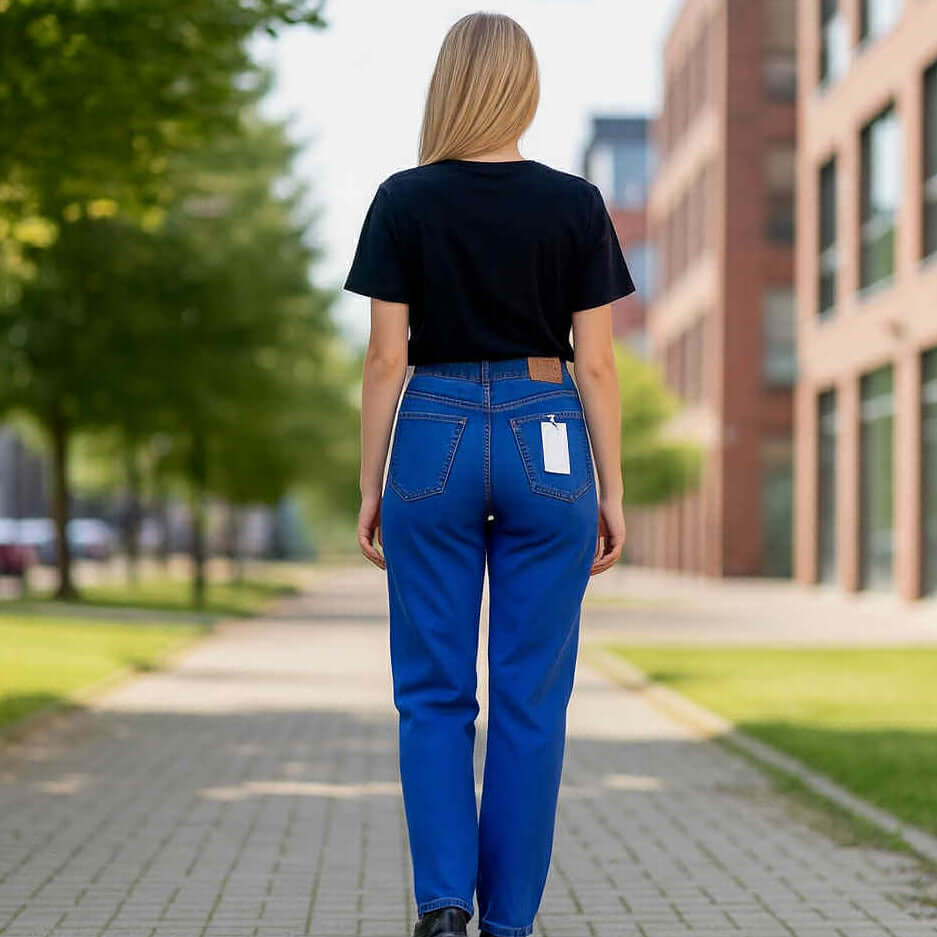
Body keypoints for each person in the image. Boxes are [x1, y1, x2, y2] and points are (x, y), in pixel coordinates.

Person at [344, 11, 633, 937]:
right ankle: (507, 922)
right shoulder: (576, 203)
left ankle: (441, 903)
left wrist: (370, 481)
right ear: (525, 86)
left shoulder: (402, 198)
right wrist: (611, 488)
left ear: (447, 86)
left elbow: (385, 360)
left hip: (430, 435)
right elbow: (597, 364)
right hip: (548, 431)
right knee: (529, 694)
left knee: (431, 690)